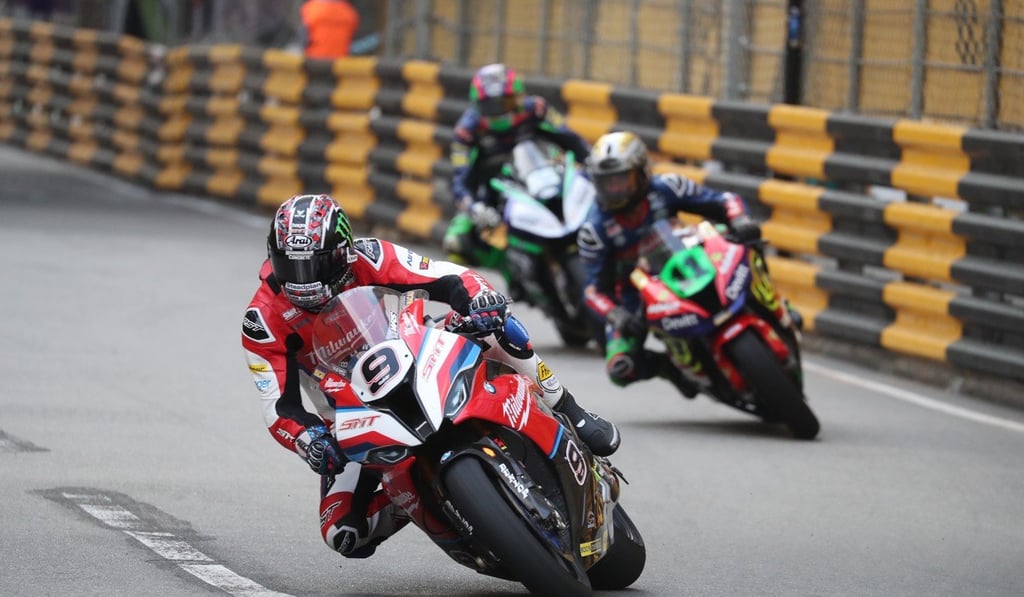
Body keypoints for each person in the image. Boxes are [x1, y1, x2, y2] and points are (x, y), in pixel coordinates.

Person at [242, 194, 619, 559]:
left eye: (315, 266)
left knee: (495, 326)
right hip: (354, 414)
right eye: (291, 265)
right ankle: (416, 498)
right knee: (342, 533)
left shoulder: (370, 256)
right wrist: (309, 440)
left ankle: (570, 409)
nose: (303, 281)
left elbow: (449, 276)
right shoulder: (262, 320)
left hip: (421, 354)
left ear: (343, 252)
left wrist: (480, 299)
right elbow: (279, 406)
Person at [578, 131, 770, 398]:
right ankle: (670, 368)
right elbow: (593, 290)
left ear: (642, 172)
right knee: (619, 368)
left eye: (622, 179)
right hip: (639, 295)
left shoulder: (668, 187)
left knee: (747, 252)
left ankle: (772, 308)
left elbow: (725, 201)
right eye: (607, 182)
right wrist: (616, 315)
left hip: (691, 261)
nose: (615, 189)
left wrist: (740, 221)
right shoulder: (594, 229)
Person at [442, 63, 592, 303]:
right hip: (496, 190)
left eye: (506, 102)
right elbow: (460, 180)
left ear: (519, 97)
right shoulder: (466, 133)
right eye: (491, 105)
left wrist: (592, 161)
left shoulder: (538, 109)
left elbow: (570, 138)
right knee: (458, 239)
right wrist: (473, 207)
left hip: (543, 175)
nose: (499, 111)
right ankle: (501, 281)